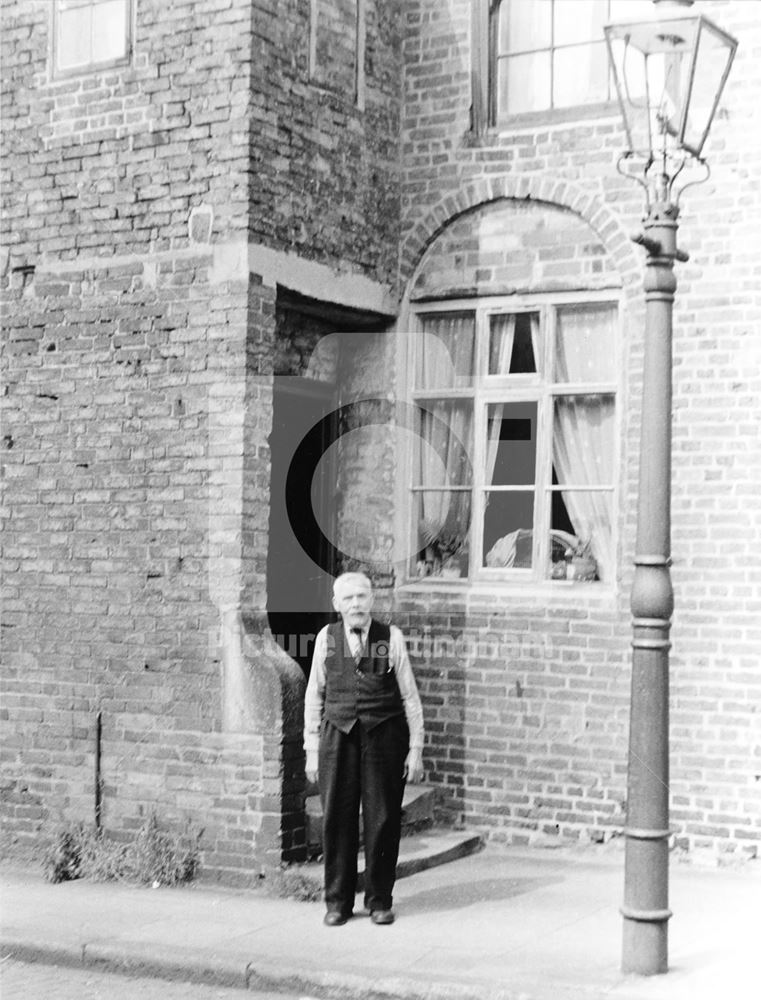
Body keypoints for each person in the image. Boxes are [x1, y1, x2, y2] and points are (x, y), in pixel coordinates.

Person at [304, 571, 424, 926]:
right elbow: (315, 694)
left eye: (362, 596)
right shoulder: (327, 638)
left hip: (384, 737)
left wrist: (415, 747)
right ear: (336, 604)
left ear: (372, 600)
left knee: (383, 818)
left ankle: (379, 900)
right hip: (337, 735)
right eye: (349, 598)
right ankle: (338, 902)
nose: (356, 604)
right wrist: (311, 749)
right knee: (336, 819)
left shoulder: (391, 637)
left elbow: (410, 696)